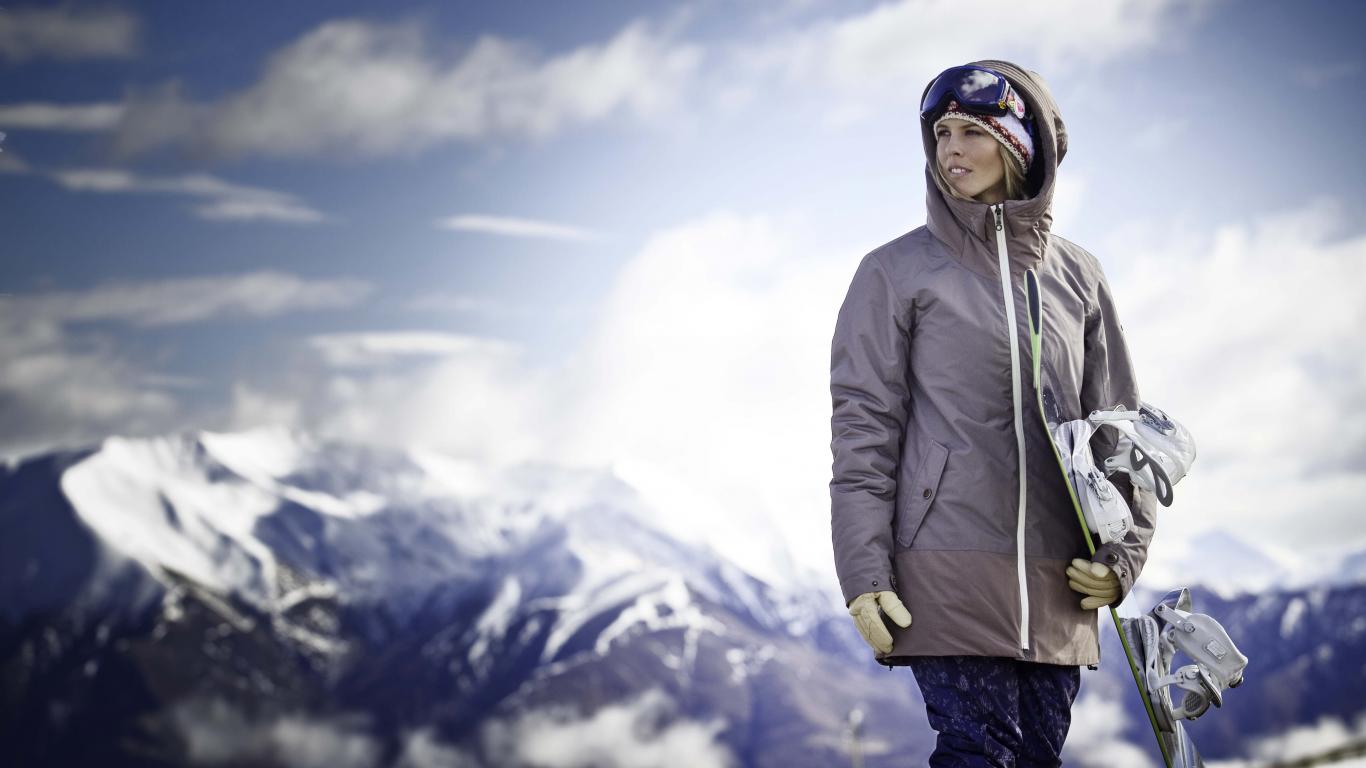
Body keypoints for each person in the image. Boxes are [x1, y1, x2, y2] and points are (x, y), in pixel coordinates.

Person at [828, 60, 1157, 766]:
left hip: (1059, 580)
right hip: (943, 569)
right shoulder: (894, 272)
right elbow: (864, 432)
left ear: (1020, 144)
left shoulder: (1079, 276)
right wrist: (863, 573)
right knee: (978, 752)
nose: (950, 149)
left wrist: (1123, 556)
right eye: (941, 133)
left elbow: (1120, 432)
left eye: (972, 132)